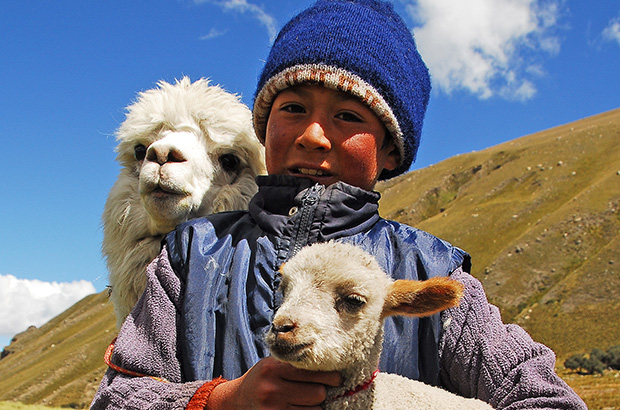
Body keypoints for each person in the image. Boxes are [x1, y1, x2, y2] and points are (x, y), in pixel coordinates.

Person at [91, 0, 587, 409]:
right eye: (293, 108)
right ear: (264, 128)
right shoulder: (190, 257)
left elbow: (546, 399)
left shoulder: (432, 272)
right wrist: (222, 401)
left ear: (390, 149)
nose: (312, 134)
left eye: (348, 116)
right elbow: (117, 397)